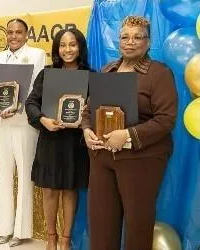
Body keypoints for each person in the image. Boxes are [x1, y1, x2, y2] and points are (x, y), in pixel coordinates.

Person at [82, 16, 178, 250]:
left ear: (148, 42)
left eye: (138, 37)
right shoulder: (108, 70)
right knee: (101, 223)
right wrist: (86, 130)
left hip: (142, 159)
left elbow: (166, 120)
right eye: (125, 37)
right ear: (118, 41)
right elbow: (88, 109)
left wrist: (127, 135)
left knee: (137, 225)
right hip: (102, 157)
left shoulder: (159, 73)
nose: (130, 42)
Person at [25, 28, 90, 250]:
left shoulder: (90, 75)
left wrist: (86, 119)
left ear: (80, 47)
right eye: (63, 45)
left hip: (76, 143)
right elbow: (31, 103)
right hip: (50, 140)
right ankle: (50, 238)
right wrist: (42, 120)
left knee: (70, 189)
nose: (67, 49)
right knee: (50, 189)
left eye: (72, 44)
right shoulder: (47, 73)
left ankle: (65, 239)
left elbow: (96, 109)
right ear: (56, 48)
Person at [0, 18, 46, 247]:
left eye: (18, 32)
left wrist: (18, 106)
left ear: (27, 34)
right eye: (10, 32)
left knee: (24, 177)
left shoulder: (38, 55)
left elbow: (35, 91)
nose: (13, 36)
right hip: (0, 122)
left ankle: (21, 230)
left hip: (23, 123)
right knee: (4, 174)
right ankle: (4, 228)